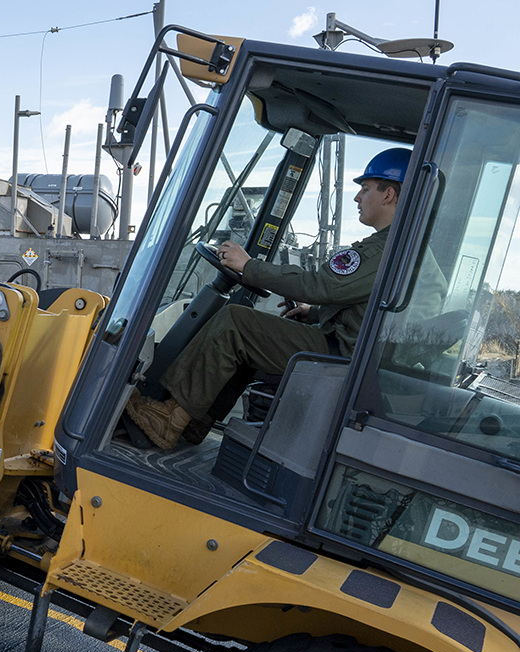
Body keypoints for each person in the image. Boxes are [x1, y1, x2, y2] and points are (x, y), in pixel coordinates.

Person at [126, 148, 412, 451]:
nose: (357, 198)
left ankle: (169, 420)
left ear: (388, 194)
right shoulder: (398, 245)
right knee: (253, 338)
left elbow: (319, 285)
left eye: (365, 189)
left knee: (236, 321)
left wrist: (248, 267)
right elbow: (362, 303)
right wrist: (313, 313)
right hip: (357, 353)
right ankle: (194, 422)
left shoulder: (382, 250)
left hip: (346, 357)